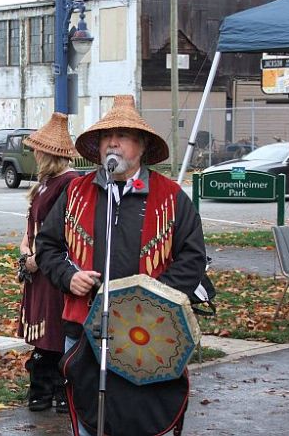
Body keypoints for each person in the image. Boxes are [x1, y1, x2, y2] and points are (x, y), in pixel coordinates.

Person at [35, 95, 207, 436]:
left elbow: (193, 259)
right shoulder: (75, 192)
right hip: (84, 329)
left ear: (141, 146)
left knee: (142, 422)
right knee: (90, 418)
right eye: (106, 136)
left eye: (123, 135)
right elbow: (47, 247)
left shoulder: (171, 197)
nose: (112, 142)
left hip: (149, 334)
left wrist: (151, 297)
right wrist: (69, 276)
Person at [17, 112, 79, 413]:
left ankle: (61, 391)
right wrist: (25, 249)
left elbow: (66, 233)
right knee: (42, 333)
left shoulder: (70, 183)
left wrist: (38, 260)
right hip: (37, 267)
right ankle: (42, 390)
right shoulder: (45, 182)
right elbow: (33, 223)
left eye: (38, 149)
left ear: (48, 152)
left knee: (55, 330)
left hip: (54, 269)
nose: (34, 153)